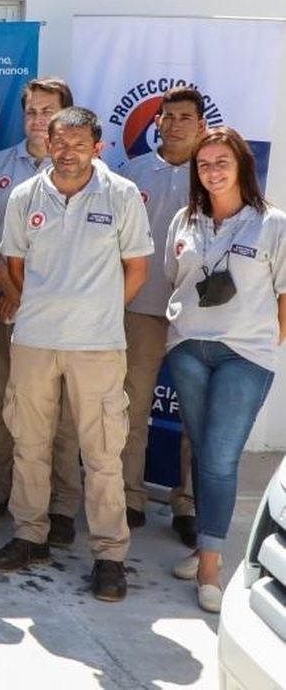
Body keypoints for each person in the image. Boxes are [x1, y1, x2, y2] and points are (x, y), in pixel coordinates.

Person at [0, 106, 151, 603]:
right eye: (60, 142)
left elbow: (136, 269)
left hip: (97, 346)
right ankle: (29, 535)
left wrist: (98, 311)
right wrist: (36, 306)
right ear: (47, 143)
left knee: (101, 454)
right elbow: (9, 264)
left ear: (98, 147)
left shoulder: (120, 194)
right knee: (29, 445)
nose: (69, 151)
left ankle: (109, 555)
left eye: (80, 143)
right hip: (34, 341)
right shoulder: (24, 195)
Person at [162, 128, 286, 613]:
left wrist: (263, 340)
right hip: (189, 346)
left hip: (244, 354)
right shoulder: (185, 220)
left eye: (222, 162)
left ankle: (211, 569)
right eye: (204, 164)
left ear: (242, 167)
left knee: (219, 456)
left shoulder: (272, 223)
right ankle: (204, 547)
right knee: (200, 449)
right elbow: (177, 280)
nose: (212, 171)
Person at [0, 78, 85, 541]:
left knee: (58, 414)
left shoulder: (88, 171)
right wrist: (9, 292)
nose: (38, 120)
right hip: (3, 306)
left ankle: (60, 504)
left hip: (63, 319)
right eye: (32, 111)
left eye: (47, 111)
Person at [116, 85, 207, 545]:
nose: (174, 125)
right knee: (132, 405)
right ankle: (128, 495)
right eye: (167, 117)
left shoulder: (213, 174)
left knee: (196, 414)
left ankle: (187, 503)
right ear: (156, 122)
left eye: (184, 117)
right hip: (141, 307)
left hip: (197, 314)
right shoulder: (132, 174)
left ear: (202, 124)